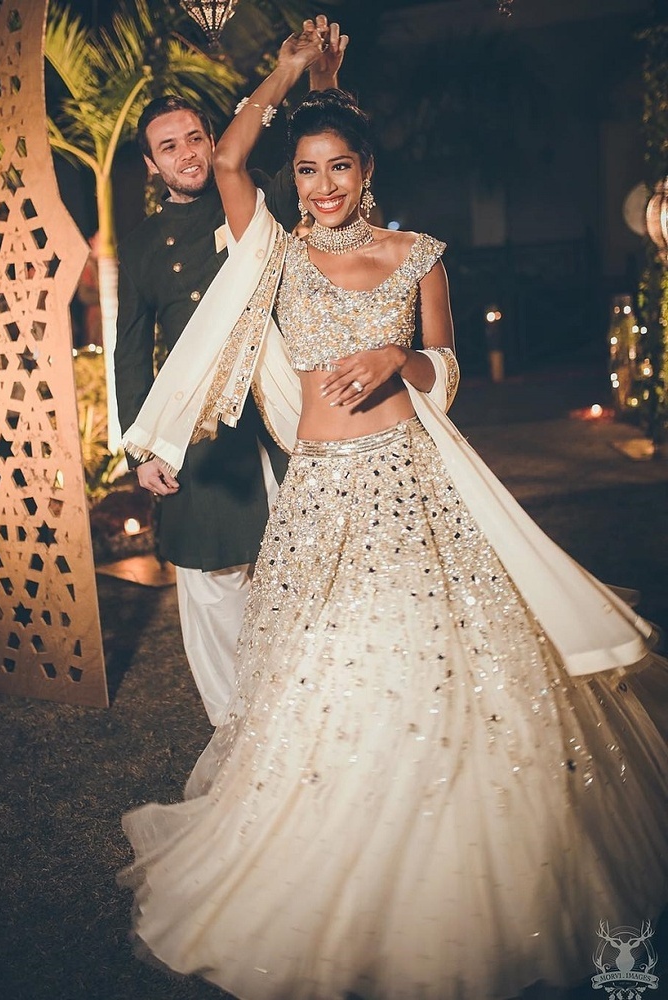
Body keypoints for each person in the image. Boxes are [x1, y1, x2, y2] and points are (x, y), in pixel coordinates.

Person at [118, 19, 668, 1000]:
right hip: (317, 503)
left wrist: (398, 359)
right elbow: (233, 152)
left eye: (338, 167)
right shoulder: (275, 254)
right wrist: (292, 71)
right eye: (306, 171)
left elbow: (446, 372)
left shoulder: (418, 254)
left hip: (411, 494)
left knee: (437, 666)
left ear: (365, 168)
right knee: (314, 679)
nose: (321, 187)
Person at [115, 32, 344, 727]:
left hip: (277, 417)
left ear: (213, 140)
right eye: (169, 147)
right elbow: (129, 349)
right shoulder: (148, 244)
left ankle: (304, 720)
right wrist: (140, 448)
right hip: (201, 435)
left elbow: (319, 147)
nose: (186, 154)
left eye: (194, 138)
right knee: (214, 589)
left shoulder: (254, 197)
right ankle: (234, 731)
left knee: (305, 568)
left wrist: (316, 76)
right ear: (153, 166)